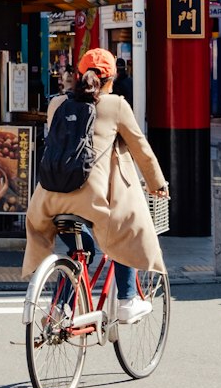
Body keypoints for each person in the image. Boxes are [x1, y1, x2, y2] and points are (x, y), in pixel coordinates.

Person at [23, 47, 169, 324]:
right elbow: (141, 148)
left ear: (78, 75)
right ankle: (127, 299)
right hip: (92, 199)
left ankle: (59, 310)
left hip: (48, 200)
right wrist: (157, 184)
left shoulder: (56, 104)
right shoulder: (116, 106)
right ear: (111, 79)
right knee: (125, 233)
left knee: (81, 250)